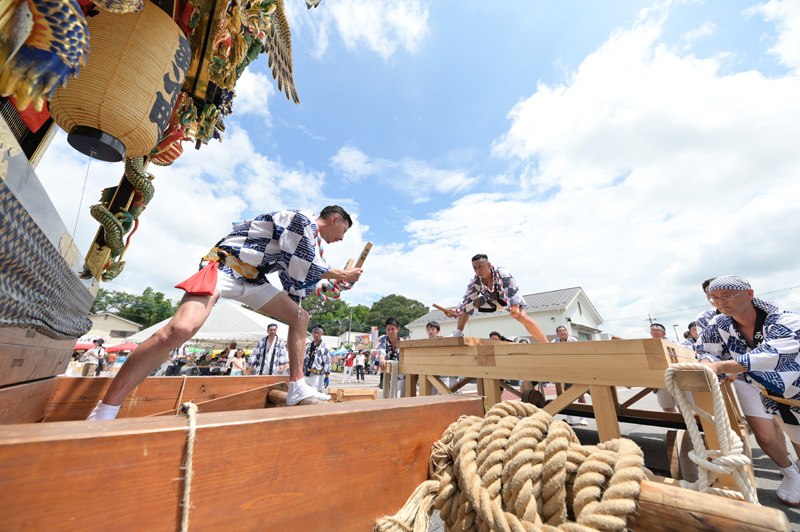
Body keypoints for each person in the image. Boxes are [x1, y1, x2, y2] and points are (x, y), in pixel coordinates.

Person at [87, 206, 362, 420]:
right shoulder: (301, 219)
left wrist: (335, 285)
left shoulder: (312, 243)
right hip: (225, 266)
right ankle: (105, 409)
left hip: (253, 279)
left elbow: (299, 279)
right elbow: (304, 262)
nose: (341, 239)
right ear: (335, 219)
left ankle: (297, 385)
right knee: (180, 330)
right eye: (343, 232)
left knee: (299, 316)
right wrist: (340, 273)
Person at [696, 275, 800, 505]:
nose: (721, 302)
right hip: (768, 394)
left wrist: (722, 366)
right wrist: (707, 364)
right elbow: (706, 350)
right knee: (773, 434)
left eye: (727, 296)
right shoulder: (719, 324)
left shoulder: (785, 320)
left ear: (749, 294)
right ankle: (793, 475)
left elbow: (775, 354)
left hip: (795, 389)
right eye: (714, 298)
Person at [441, 254, 547, 343]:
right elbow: (467, 299)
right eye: (475, 268)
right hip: (490, 302)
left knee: (522, 317)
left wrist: (515, 308)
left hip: (508, 299)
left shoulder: (502, 273)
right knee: (468, 304)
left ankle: (546, 343)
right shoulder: (475, 280)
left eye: (480, 266)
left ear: (488, 265)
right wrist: (457, 310)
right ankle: (458, 332)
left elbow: (513, 293)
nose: (478, 270)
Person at [550, 326, 587, 426]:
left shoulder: (573, 340)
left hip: (576, 368)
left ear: (567, 332)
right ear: (557, 333)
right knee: (567, 393)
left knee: (580, 393)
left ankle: (583, 418)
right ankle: (569, 418)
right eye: (560, 331)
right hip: (564, 369)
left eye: (564, 330)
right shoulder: (554, 342)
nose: (562, 332)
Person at [649, 323, 679, 413]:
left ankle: (687, 425)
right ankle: (676, 426)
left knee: (682, 405)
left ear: (664, 333)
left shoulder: (673, 343)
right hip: (659, 378)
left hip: (675, 376)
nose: (655, 333)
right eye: (653, 331)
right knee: (667, 406)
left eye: (658, 330)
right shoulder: (648, 344)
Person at [377, 317, 406, 397]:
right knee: (386, 394)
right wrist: (382, 359)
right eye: (388, 329)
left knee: (400, 395)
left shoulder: (403, 342)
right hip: (387, 372)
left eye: (393, 329)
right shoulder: (382, 339)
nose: (390, 332)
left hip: (401, 374)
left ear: (398, 329)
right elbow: (381, 350)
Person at [304, 325, 331, 392]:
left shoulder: (325, 346)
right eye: (314, 332)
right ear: (312, 333)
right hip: (306, 373)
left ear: (322, 333)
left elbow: (327, 361)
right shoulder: (308, 345)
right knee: (305, 392)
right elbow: (304, 359)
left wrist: (327, 376)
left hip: (317, 374)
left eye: (318, 333)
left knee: (316, 393)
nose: (316, 335)